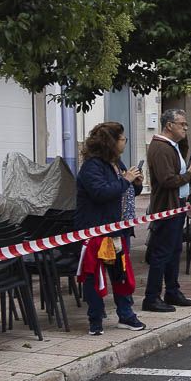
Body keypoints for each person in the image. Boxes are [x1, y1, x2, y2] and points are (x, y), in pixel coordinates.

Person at [75, 122, 145, 336]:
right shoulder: (92, 167)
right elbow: (101, 193)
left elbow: (126, 191)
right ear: (111, 142)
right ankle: (95, 320)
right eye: (122, 138)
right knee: (94, 276)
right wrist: (125, 180)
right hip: (96, 231)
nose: (125, 142)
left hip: (118, 229)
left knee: (121, 274)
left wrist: (136, 182)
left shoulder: (116, 163)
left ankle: (126, 315)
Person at [144, 109, 191, 313]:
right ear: (169, 126)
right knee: (162, 252)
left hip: (177, 205)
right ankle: (152, 296)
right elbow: (167, 180)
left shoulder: (172, 146)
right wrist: (189, 176)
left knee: (175, 251)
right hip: (166, 207)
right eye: (182, 124)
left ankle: (172, 291)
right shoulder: (160, 148)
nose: (185, 127)